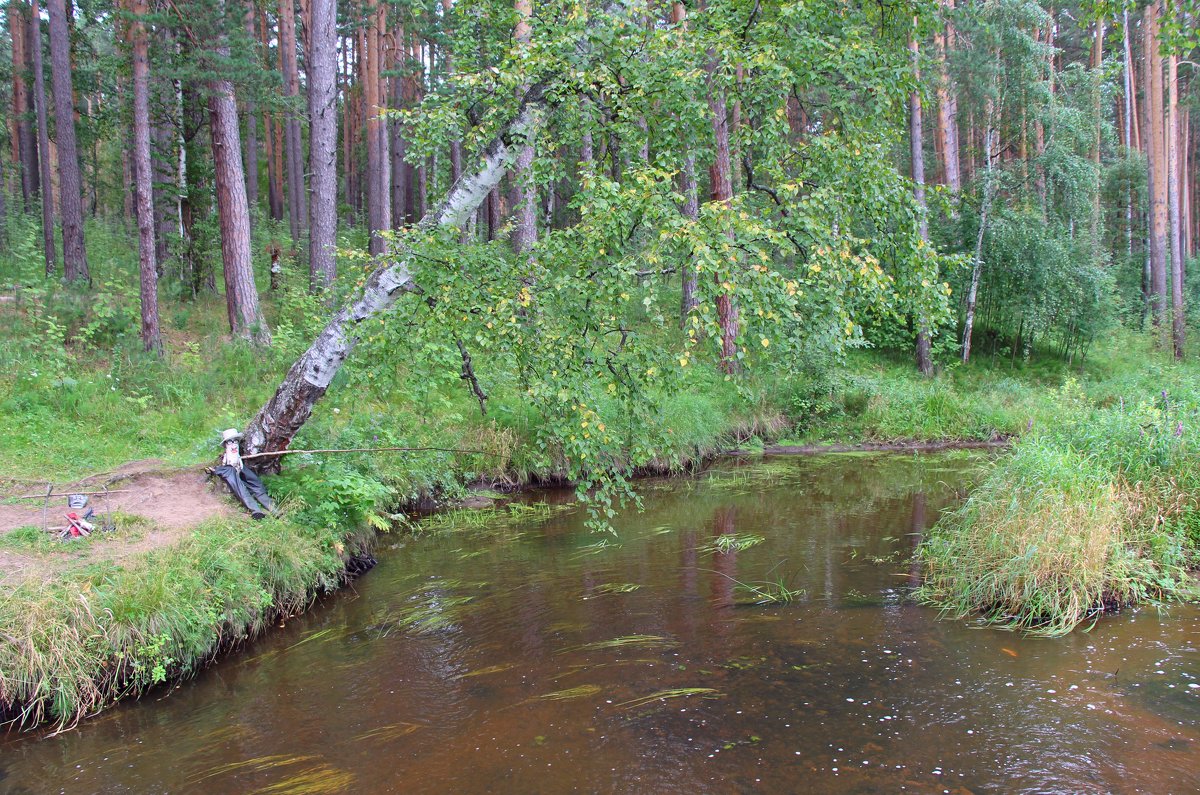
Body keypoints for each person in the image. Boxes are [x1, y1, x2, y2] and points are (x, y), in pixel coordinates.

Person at [213, 428, 274, 519]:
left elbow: (240, 466)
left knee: (256, 485)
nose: (233, 445)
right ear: (226, 445)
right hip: (231, 473)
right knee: (241, 490)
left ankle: (274, 509)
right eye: (230, 442)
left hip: (240, 471)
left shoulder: (237, 457)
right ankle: (256, 511)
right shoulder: (227, 459)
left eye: (235, 441)